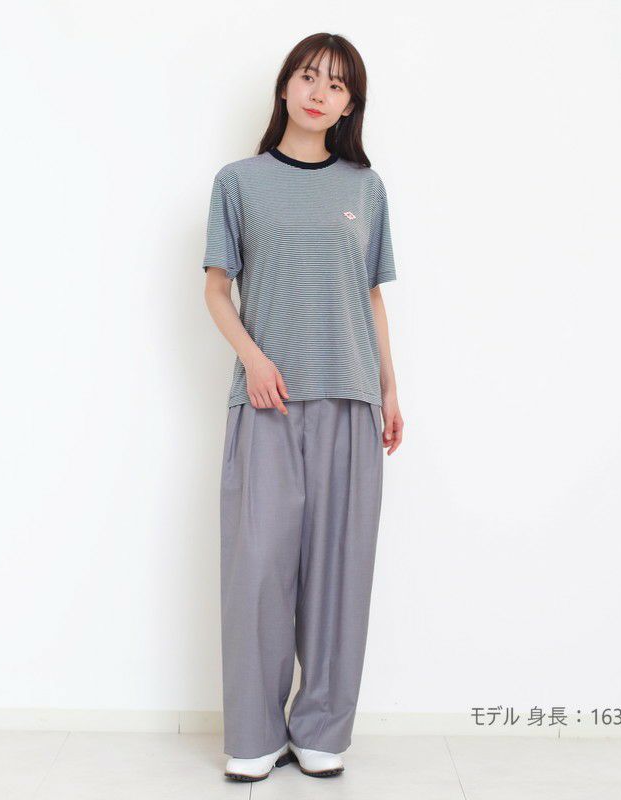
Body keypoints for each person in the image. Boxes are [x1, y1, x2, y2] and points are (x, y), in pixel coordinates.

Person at [201, 32, 403, 782]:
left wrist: (389, 387)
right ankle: (254, 735)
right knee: (258, 569)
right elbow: (216, 288)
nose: (321, 92)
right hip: (268, 400)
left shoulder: (365, 188)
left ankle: (321, 730)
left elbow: (370, 296)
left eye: (338, 85)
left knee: (339, 573)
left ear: (350, 106)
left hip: (350, 397)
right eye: (310, 76)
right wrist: (254, 360)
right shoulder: (239, 182)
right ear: (285, 85)